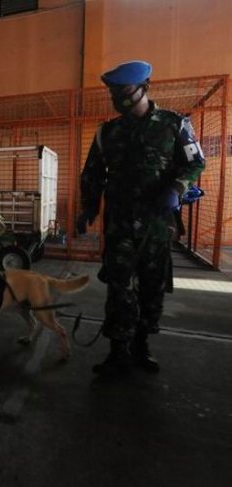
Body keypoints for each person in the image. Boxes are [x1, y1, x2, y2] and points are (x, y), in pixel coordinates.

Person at [76, 60, 206, 381]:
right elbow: (92, 174)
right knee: (119, 286)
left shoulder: (174, 124)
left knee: (152, 286)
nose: (117, 98)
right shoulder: (108, 131)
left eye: (123, 91)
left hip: (157, 223)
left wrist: (177, 188)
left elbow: (195, 163)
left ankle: (141, 345)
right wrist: (88, 208)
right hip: (119, 223)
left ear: (144, 88)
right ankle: (118, 352)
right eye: (113, 93)